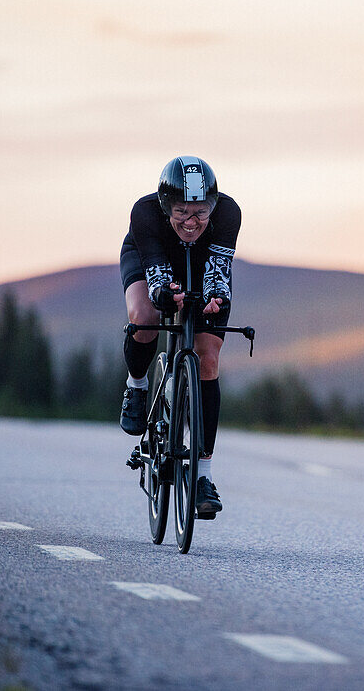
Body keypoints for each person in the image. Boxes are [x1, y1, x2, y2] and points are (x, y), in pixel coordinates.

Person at [118, 156, 241, 519]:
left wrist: (215, 300)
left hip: (204, 267)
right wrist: (163, 294)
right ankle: (137, 385)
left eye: (201, 212)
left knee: (208, 357)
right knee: (145, 317)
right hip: (150, 258)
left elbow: (218, 274)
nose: (191, 221)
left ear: (213, 206)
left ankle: (203, 475)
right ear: (165, 206)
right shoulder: (145, 213)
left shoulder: (230, 214)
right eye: (181, 211)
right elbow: (155, 273)